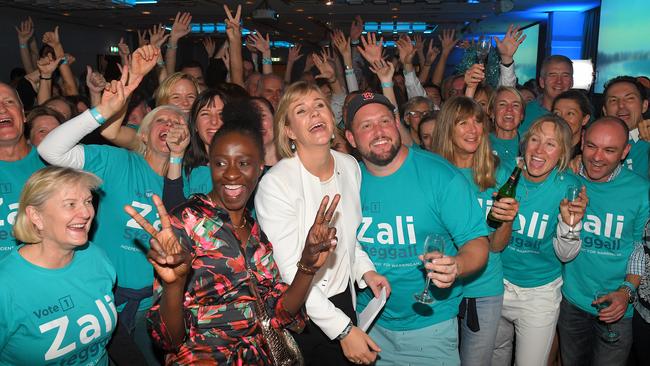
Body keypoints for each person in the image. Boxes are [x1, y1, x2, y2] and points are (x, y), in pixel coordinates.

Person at [128, 102, 341, 364]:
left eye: (243, 163)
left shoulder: (256, 233)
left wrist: (307, 267)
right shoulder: (185, 223)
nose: (230, 174)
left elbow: (280, 315)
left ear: (259, 167)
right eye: (220, 163)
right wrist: (174, 286)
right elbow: (169, 340)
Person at [38, 49, 173, 364]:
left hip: (158, 307)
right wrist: (102, 111)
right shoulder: (117, 162)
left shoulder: (194, 180)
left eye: (179, 121)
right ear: (143, 133)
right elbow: (50, 150)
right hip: (103, 303)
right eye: (161, 119)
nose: (171, 124)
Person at [344, 91, 489, 365]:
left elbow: (478, 243)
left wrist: (457, 265)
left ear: (397, 123)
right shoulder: (345, 180)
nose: (379, 131)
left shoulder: (441, 176)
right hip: (368, 325)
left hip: (431, 326)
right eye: (366, 125)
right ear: (351, 138)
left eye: (385, 121)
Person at [255, 82, 390, 365]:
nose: (315, 114)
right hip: (303, 313)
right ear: (289, 130)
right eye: (301, 110)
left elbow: (347, 237)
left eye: (319, 105)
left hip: (344, 301)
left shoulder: (350, 166)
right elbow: (291, 270)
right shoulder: (275, 184)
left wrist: (365, 271)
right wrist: (341, 331)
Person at [492, 115, 588, 366]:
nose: (538, 150)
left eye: (550, 144)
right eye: (535, 139)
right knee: (495, 355)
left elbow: (566, 255)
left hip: (538, 295)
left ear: (563, 152)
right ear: (524, 143)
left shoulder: (569, 187)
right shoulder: (503, 174)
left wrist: (570, 224)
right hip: (495, 285)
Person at [432, 96, 519, 366]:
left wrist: (506, 219)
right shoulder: (433, 173)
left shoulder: (497, 174)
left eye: (478, 122)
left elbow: (496, 246)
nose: (473, 129)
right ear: (448, 128)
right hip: (439, 288)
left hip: (483, 288)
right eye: (463, 123)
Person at [0, 166, 116, 365]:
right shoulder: (6, 285)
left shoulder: (96, 256)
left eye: (88, 201)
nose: (87, 212)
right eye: (70, 204)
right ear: (36, 216)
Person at [558, 117, 648, 365]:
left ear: (625, 151)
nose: (597, 157)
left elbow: (641, 247)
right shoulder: (566, 179)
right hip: (572, 301)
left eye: (609, 150)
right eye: (592, 146)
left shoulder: (641, 190)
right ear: (582, 141)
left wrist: (627, 291)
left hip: (618, 307)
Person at [0, 82, 46, 258]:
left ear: (24, 114)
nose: (2, 109)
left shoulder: (52, 167)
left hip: (42, 277)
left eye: (9, 102)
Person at [601, 76, 649, 178]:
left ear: (644, 106)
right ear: (605, 111)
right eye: (613, 100)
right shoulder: (595, 146)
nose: (621, 105)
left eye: (630, 98)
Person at [519, 55, 574, 133]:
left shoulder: (580, 114)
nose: (559, 81)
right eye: (553, 75)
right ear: (542, 82)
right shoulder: (524, 113)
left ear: (572, 82)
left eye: (565, 76)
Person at [488, 86, 526, 171]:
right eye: (502, 104)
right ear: (492, 113)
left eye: (515, 105)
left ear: (522, 115)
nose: (509, 109)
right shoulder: (481, 143)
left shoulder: (530, 143)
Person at [552, 89, 592, 157]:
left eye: (570, 113)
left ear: (585, 119)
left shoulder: (588, 154)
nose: (562, 119)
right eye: (557, 114)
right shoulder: (545, 147)